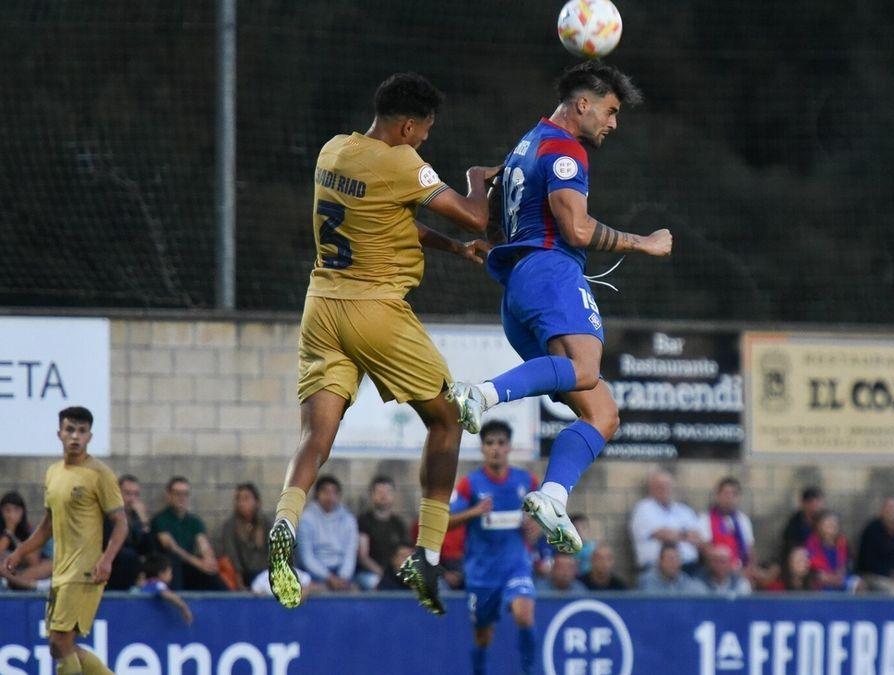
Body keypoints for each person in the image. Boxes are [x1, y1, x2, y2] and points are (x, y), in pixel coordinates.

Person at [267, 71, 499, 615]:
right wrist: (475, 178)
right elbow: (476, 214)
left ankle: (284, 521)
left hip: (321, 306)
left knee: (315, 439)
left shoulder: (334, 151)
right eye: (424, 133)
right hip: (374, 310)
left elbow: (387, 220)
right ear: (409, 125)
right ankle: (428, 552)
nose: (424, 142)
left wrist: (450, 247)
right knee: (448, 420)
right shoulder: (400, 163)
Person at [446, 60, 671, 557]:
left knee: (603, 412)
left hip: (519, 291)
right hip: (551, 273)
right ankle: (480, 395)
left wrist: (493, 239)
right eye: (610, 111)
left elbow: (481, 178)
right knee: (587, 369)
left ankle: (552, 495)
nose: (613, 123)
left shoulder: (527, 142)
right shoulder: (565, 149)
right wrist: (646, 243)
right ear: (583, 104)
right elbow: (577, 231)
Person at [3, 407, 127, 675]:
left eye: (81, 431)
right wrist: (20, 553)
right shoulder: (53, 473)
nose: (75, 436)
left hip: (85, 570)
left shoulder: (99, 474)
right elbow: (47, 525)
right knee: (58, 647)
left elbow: (121, 523)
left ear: (89, 437)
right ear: (59, 433)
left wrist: (106, 559)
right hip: (60, 570)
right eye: (70, 429)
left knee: (61, 641)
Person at [448, 420, 539, 675]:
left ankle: (530, 671)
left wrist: (536, 526)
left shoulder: (526, 481)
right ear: (482, 448)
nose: (495, 448)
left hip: (515, 566)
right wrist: (475, 511)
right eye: (489, 443)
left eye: (501, 443)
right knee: (483, 637)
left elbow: (546, 515)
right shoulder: (470, 484)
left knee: (524, 614)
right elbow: (446, 521)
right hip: (482, 574)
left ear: (510, 447)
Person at [151, 476, 223, 591]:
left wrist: (208, 559)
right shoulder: (160, 519)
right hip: (168, 569)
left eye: (185, 494)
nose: (182, 498)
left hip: (188, 567)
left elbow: (202, 543)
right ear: (169, 495)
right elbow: (171, 546)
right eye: (177, 494)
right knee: (174, 560)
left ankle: (229, 603)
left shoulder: (194, 521)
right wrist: (197, 562)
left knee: (210, 572)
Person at [629, 471, 702, 572]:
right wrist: (685, 535)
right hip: (656, 569)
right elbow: (663, 535)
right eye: (659, 486)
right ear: (651, 489)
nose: (664, 489)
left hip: (688, 566)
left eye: (667, 485)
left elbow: (698, 537)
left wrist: (674, 534)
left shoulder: (684, 510)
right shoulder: (643, 508)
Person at [297, 475, 358, 593]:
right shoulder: (306, 519)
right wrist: (328, 577)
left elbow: (350, 553)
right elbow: (307, 557)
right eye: (325, 492)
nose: (330, 497)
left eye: (334, 493)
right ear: (317, 495)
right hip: (316, 573)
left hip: (342, 573)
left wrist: (343, 577)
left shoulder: (349, 519)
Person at [698, 477, 758, 581]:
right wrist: (727, 567)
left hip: (741, 572)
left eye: (734, 494)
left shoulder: (743, 520)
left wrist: (749, 569)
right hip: (714, 572)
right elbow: (706, 549)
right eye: (726, 493)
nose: (729, 498)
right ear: (717, 495)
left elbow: (750, 550)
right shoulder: (705, 519)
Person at [355, 476, 410, 591]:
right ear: (372, 495)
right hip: (369, 573)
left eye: (388, 492)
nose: (384, 496)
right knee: (380, 585)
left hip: (396, 571)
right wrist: (383, 573)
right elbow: (363, 556)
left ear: (394, 495)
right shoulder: (363, 521)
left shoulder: (398, 523)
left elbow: (405, 552)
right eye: (379, 492)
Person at [217, 483, 270, 589]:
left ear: (257, 502)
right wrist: (239, 581)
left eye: (246, 499)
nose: (241, 503)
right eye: (238, 499)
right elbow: (231, 555)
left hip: (266, 574)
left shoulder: (266, 524)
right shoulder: (230, 526)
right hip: (243, 575)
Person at [105, 475, 153, 591]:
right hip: (112, 560)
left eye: (136, 494)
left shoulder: (136, 517)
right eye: (127, 493)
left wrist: (144, 521)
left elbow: (149, 550)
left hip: (132, 561)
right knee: (128, 555)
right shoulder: (109, 515)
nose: (132, 499)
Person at [804, 512, 858, 592]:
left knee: (858, 584)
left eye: (833, 523)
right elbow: (810, 568)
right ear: (819, 526)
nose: (831, 526)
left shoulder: (843, 542)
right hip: (820, 581)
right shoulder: (811, 543)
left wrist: (843, 571)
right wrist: (826, 577)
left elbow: (849, 563)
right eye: (827, 523)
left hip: (840, 578)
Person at [138, 554, 193, 625]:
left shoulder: (146, 584)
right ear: (161, 574)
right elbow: (165, 594)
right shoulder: (157, 584)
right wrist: (184, 607)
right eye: (170, 572)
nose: (171, 575)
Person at [637, 542, 706, 594]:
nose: (674, 563)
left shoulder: (686, 581)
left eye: (677, 559)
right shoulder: (646, 582)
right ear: (660, 562)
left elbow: (703, 593)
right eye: (670, 559)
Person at [781, 486, 825, 564]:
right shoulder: (794, 524)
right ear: (803, 504)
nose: (814, 507)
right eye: (811, 503)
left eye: (817, 502)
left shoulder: (826, 520)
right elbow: (791, 548)